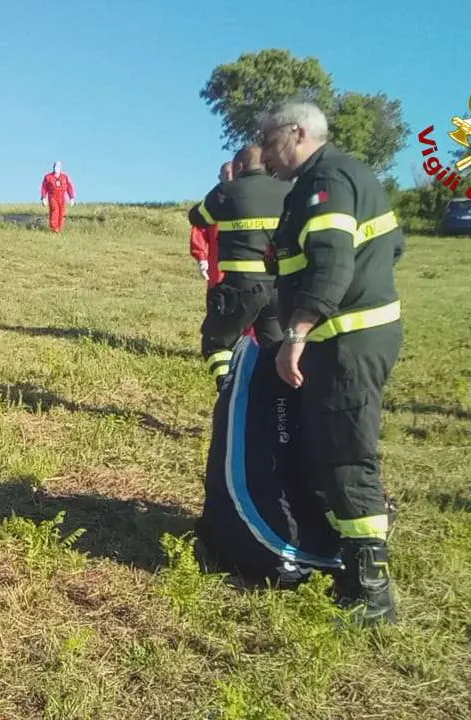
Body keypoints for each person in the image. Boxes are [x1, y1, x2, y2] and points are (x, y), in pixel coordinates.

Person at [261, 101, 405, 625]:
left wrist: (296, 334)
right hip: (351, 339)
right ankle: (349, 559)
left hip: (346, 341)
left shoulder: (328, 180)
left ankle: (372, 591)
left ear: (297, 132)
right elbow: (395, 248)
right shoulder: (350, 175)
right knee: (332, 448)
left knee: (346, 455)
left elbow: (331, 264)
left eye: (268, 137)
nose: (264, 150)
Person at [187, 146, 288, 388]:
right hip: (280, 287)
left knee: (216, 342)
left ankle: (228, 388)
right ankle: (279, 405)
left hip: (241, 284)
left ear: (239, 167)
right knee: (273, 346)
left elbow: (198, 217)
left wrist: (225, 192)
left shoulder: (227, 192)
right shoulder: (289, 190)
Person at [188, 162, 233, 287]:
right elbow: (199, 228)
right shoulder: (213, 203)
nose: (229, 177)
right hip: (217, 267)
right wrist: (202, 258)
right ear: (219, 178)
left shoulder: (247, 198)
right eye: (226, 173)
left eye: (232, 172)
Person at [40, 161, 76, 232]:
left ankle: (59, 228)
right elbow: (44, 188)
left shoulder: (65, 177)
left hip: (62, 198)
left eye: (58, 167)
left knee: (62, 213)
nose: (56, 168)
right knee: (55, 211)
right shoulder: (48, 177)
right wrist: (43, 198)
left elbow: (69, 187)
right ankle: (54, 228)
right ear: (53, 167)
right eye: (55, 166)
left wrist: (72, 197)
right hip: (53, 197)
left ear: (61, 168)